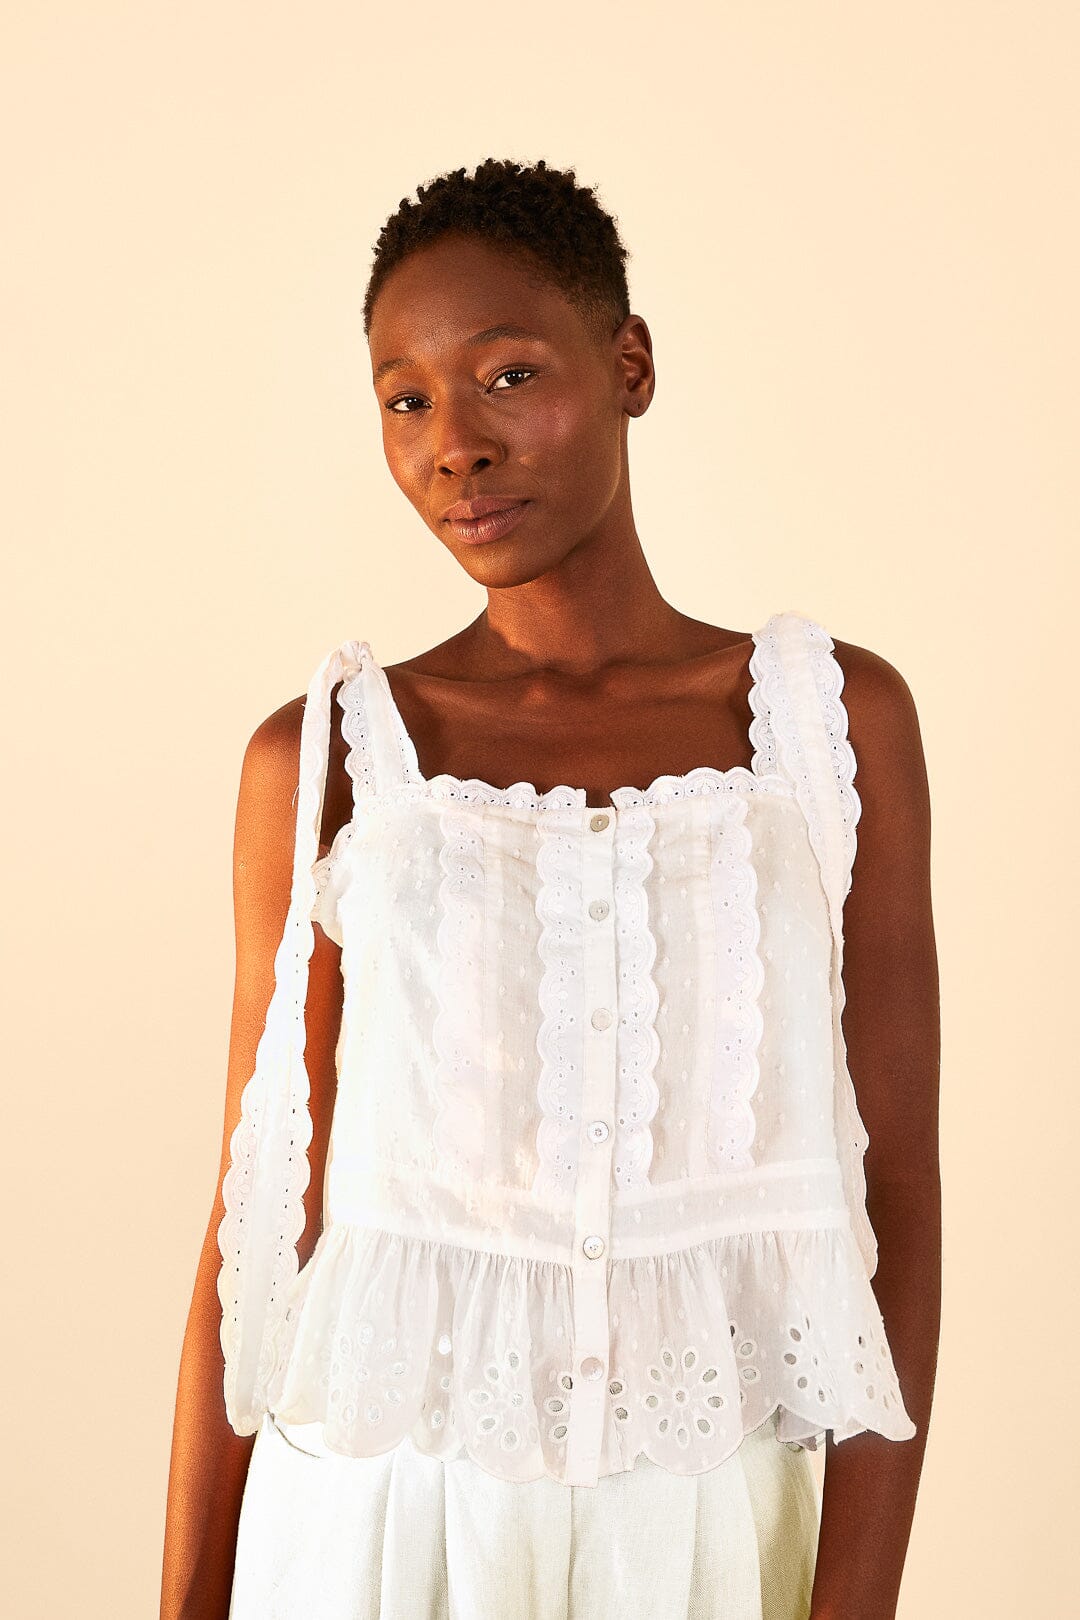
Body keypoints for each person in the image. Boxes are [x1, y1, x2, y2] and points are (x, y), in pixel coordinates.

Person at [160, 157, 939, 1620]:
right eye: (406, 401)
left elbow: (897, 1185)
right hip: (375, 1522)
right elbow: (259, 1218)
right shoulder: (331, 757)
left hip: (714, 1525)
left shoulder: (827, 726)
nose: (456, 445)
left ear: (629, 365)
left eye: (508, 375)